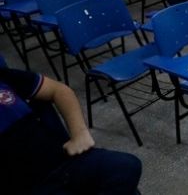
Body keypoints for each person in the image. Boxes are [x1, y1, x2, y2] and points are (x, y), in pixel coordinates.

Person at [0, 65, 142, 194]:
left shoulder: (5, 76)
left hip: (63, 162)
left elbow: (59, 90)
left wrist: (80, 134)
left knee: (127, 166)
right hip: (30, 185)